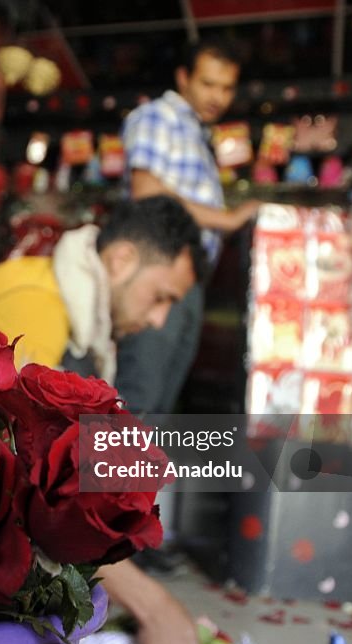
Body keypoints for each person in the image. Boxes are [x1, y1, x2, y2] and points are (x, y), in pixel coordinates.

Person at [0, 195, 208, 644]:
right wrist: (155, 607)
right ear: (122, 259)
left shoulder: (60, 300)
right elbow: (24, 493)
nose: (159, 321)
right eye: (162, 297)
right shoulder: (39, 305)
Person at [118, 38, 261, 415]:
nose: (218, 96)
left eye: (227, 87)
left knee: (159, 403)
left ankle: (131, 475)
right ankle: (105, 475)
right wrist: (229, 219)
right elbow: (147, 191)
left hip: (186, 279)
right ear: (184, 78)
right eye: (208, 83)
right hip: (159, 271)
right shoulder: (158, 117)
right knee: (140, 397)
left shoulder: (196, 133)